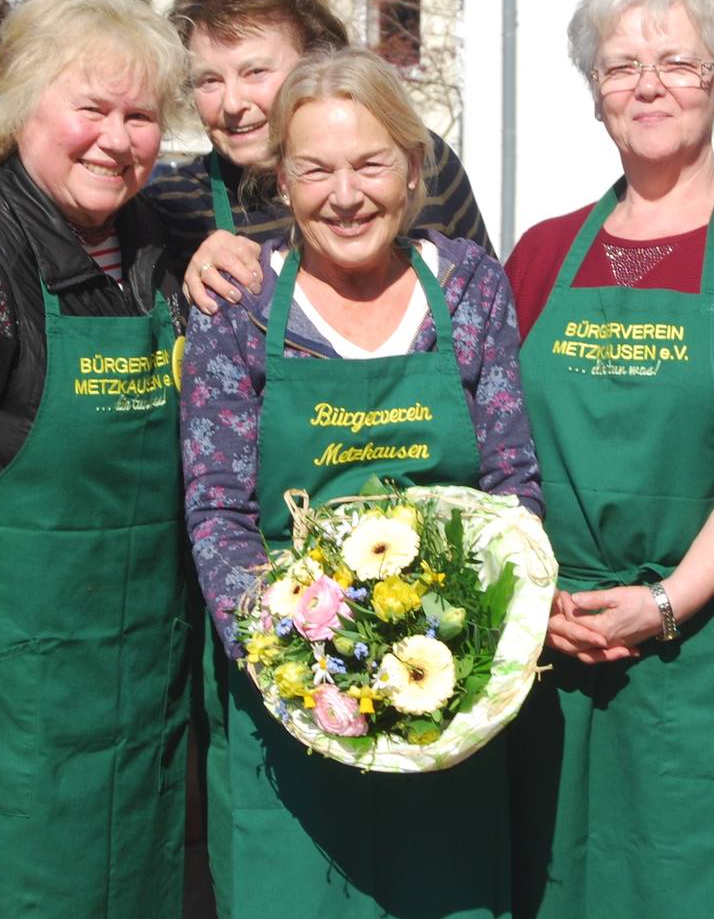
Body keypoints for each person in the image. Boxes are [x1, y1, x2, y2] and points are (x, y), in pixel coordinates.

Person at [181, 50, 542, 919]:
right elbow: (218, 507)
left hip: (447, 702)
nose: (346, 195)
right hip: (291, 711)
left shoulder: (465, 287)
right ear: (281, 178)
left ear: (414, 169)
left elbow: (511, 483)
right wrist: (292, 660)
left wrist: (483, 655)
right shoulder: (239, 306)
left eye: (371, 163)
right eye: (316, 169)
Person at [503, 0, 714, 918]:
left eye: (678, 62)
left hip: (709, 654)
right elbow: (497, 438)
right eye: (620, 65)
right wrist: (537, 593)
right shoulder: (544, 251)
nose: (648, 85)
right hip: (554, 646)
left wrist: (668, 600)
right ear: (594, 93)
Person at [0, 0, 195, 917]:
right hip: (10, 717)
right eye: (93, 108)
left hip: (141, 702)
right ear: (21, 104)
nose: (118, 138)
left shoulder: (153, 243)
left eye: (143, 115)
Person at [146, 0, 494, 316]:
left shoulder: (417, 162)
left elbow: (491, 305)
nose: (232, 104)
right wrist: (189, 286)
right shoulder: (174, 206)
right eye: (209, 81)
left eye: (256, 72)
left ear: (317, 61)